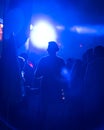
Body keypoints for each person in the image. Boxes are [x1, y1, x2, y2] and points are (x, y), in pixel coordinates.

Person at [35, 41, 66, 129]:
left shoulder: (43, 60)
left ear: (48, 50)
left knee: (43, 112)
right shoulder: (61, 61)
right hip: (57, 88)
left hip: (45, 88)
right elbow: (65, 77)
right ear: (56, 50)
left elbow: (37, 75)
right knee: (56, 112)